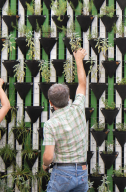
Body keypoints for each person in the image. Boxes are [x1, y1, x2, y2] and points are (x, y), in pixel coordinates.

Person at [42, 48, 88, 192]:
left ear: (50, 103)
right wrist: (78, 60)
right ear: (69, 98)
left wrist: (45, 164)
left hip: (62, 173)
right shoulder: (78, 108)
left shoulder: (50, 125)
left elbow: (49, 156)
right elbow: (82, 84)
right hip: (82, 171)